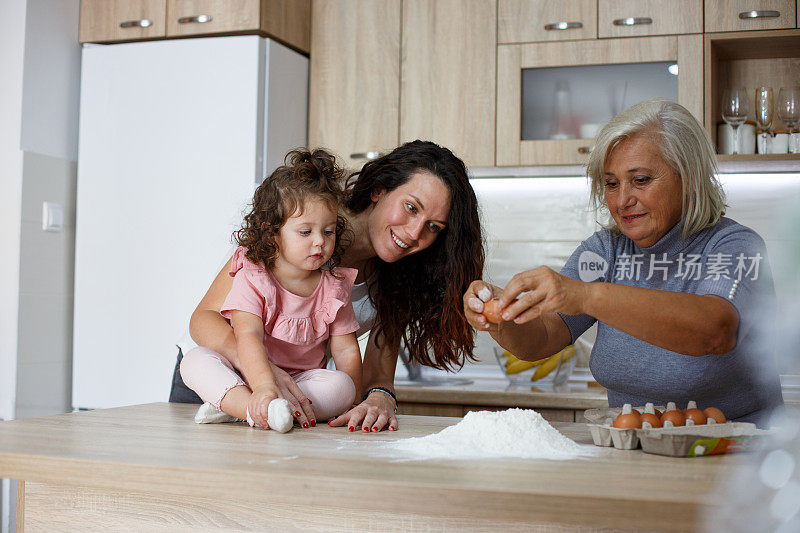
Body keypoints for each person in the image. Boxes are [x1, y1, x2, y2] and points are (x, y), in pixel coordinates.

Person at [464, 99, 784, 426]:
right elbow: (544, 337)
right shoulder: (605, 251)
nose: (621, 201)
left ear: (689, 177)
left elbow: (716, 330)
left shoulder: (734, 246)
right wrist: (501, 317)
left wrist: (588, 295)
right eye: (612, 183)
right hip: (634, 456)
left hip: (736, 457)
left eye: (641, 180)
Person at [183, 140, 484, 432]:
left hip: (294, 392)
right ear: (380, 190)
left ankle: (269, 412)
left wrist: (378, 398)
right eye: (410, 207)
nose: (416, 232)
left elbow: (375, 374)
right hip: (218, 372)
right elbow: (202, 320)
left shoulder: (397, 275)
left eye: (434, 227)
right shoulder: (304, 218)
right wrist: (261, 373)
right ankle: (244, 408)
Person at [180, 149, 362, 429]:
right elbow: (248, 335)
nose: (320, 242)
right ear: (272, 232)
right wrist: (264, 385)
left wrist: (353, 400)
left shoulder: (334, 287)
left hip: (300, 383)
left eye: (328, 232)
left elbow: (347, 353)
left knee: (340, 385)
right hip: (243, 374)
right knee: (195, 361)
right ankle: (252, 408)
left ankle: (266, 410)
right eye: (305, 232)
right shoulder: (253, 276)